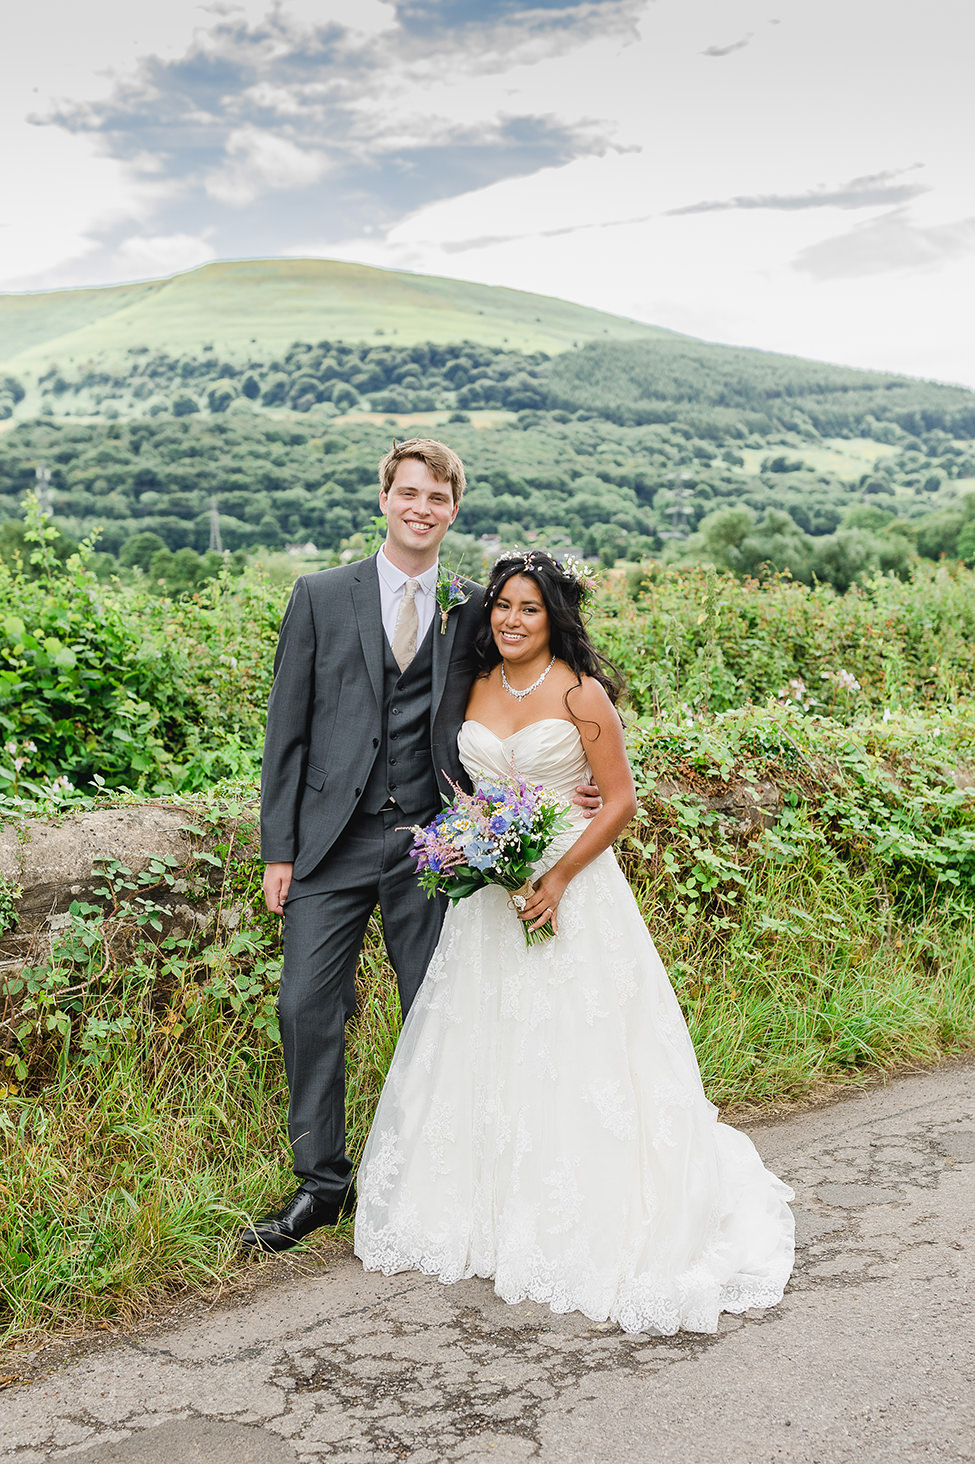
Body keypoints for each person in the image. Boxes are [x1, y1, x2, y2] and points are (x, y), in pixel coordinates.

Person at [354, 551, 795, 1335]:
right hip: (489, 892)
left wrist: (554, 877)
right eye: (502, 606)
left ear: (554, 616)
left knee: (574, 1035)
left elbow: (618, 801)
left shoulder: (581, 692)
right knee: (484, 1037)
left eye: (529, 608)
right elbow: (454, 778)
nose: (511, 620)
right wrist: (474, 843)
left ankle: (583, 1205)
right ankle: (479, 1205)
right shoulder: (471, 685)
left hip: (572, 882)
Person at [245, 446, 597, 1252]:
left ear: (452, 510)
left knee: (438, 1013)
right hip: (328, 845)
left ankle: (433, 1180)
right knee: (304, 1005)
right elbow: (285, 731)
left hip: (436, 847)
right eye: (408, 492)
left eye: (436, 496)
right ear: (384, 499)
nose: (421, 506)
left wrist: (575, 776)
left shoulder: (476, 608)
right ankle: (322, 1184)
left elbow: (550, 678)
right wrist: (279, 848)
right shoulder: (320, 596)